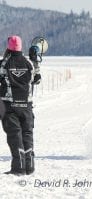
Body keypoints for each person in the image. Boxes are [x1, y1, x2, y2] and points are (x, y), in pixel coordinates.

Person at [0, 35, 41, 175]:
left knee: (15, 136)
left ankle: (19, 168)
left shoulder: (4, 63)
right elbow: (37, 79)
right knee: (27, 134)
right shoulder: (29, 63)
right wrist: (36, 62)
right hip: (27, 106)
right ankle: (29, 166)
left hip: (9, 107)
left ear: (8, 47)